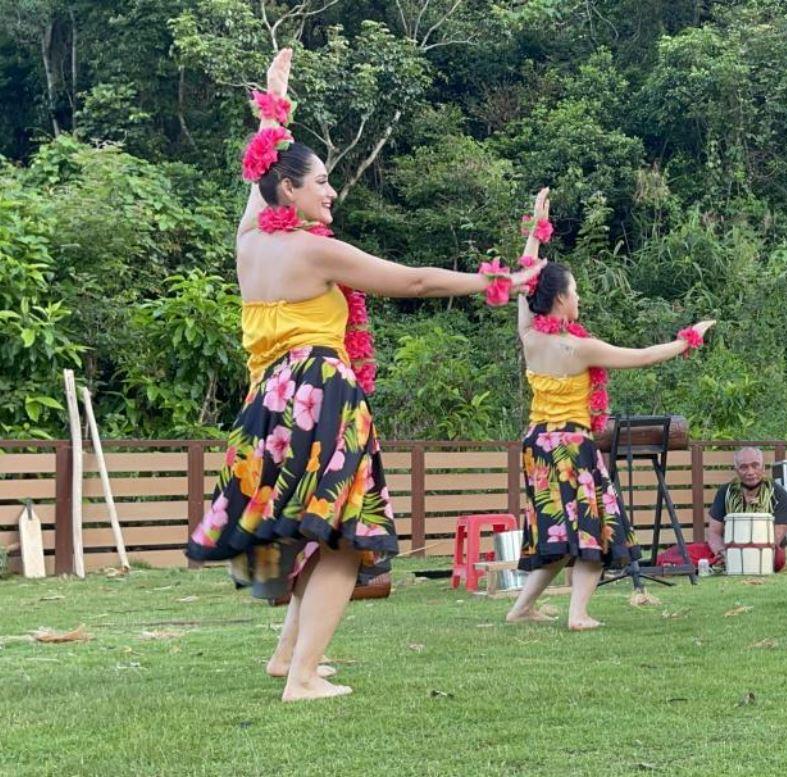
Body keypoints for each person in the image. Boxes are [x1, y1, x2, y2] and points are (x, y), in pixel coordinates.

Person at [184, 49, 541, 702]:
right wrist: (500, 281)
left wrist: (274, 108)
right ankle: (301, 678)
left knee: (319, 532)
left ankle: (289, 657)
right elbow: (414, 281)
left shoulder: (249, 241)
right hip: (319, 394)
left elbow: (258, 174)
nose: (330, 191)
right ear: (287, 191)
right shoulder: (314, 251)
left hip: (268, 402)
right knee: (346, 539)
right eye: (320, 181)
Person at [503, 204, 715, 631]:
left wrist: (537, 232)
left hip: (537, 445)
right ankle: (578, 614)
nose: (579, 297)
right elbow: (644, 356)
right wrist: (689, 338)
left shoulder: (530, 337)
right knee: (596, 529)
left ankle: (521, 608)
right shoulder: (580, 349)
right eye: (575, 291)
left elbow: (526, 276)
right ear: (560, 298)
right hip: (570, 445)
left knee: (559, 531)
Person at [706, 447, 787, 572]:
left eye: (755, 466)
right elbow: (714, 533)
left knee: (778, 559)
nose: (750, 472)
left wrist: (746, 555)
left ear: (763, 467)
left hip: (764, 551)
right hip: (729, 549)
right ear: (736, 470)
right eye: (744, 467)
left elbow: (775, 539)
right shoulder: (725, 492)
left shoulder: (780, 495)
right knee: (690, 552)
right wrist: (721, 553)